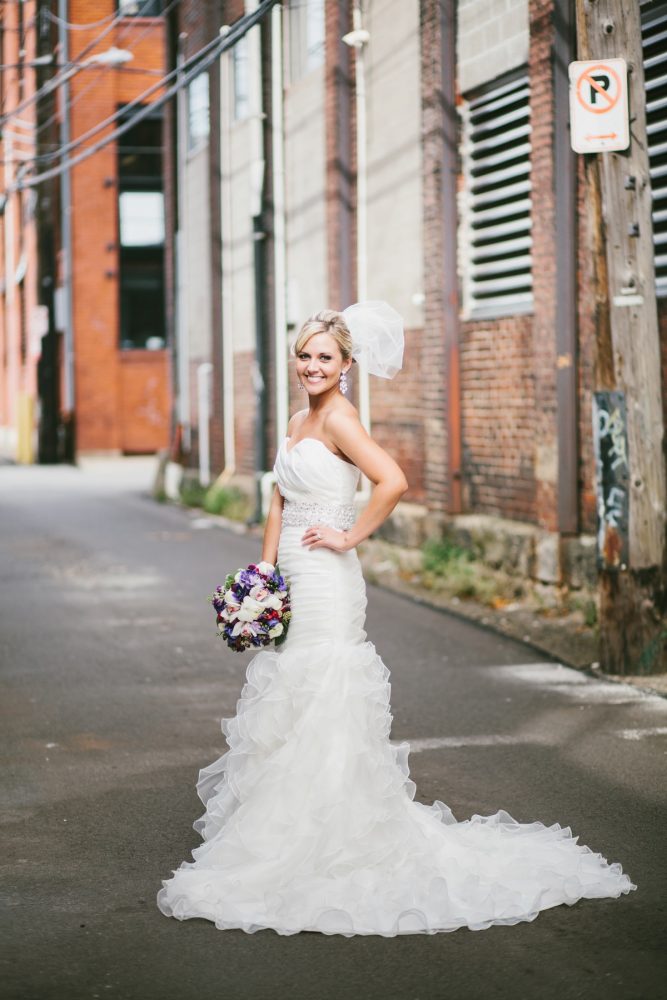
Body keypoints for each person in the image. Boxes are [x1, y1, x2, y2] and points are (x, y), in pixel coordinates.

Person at [157, 302, 635, 936]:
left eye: (325, 356)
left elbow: (394, 481)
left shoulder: (344, 422)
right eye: (304, 355)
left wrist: (350, 536)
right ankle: (292, 827)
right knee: (293, 699)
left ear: (347, 365)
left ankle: (336, 841)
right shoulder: (299, 419)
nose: (312, 365)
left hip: (328, 581)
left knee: (324, 692)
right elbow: (278, 495)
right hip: (293, 578)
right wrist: (263, 573)